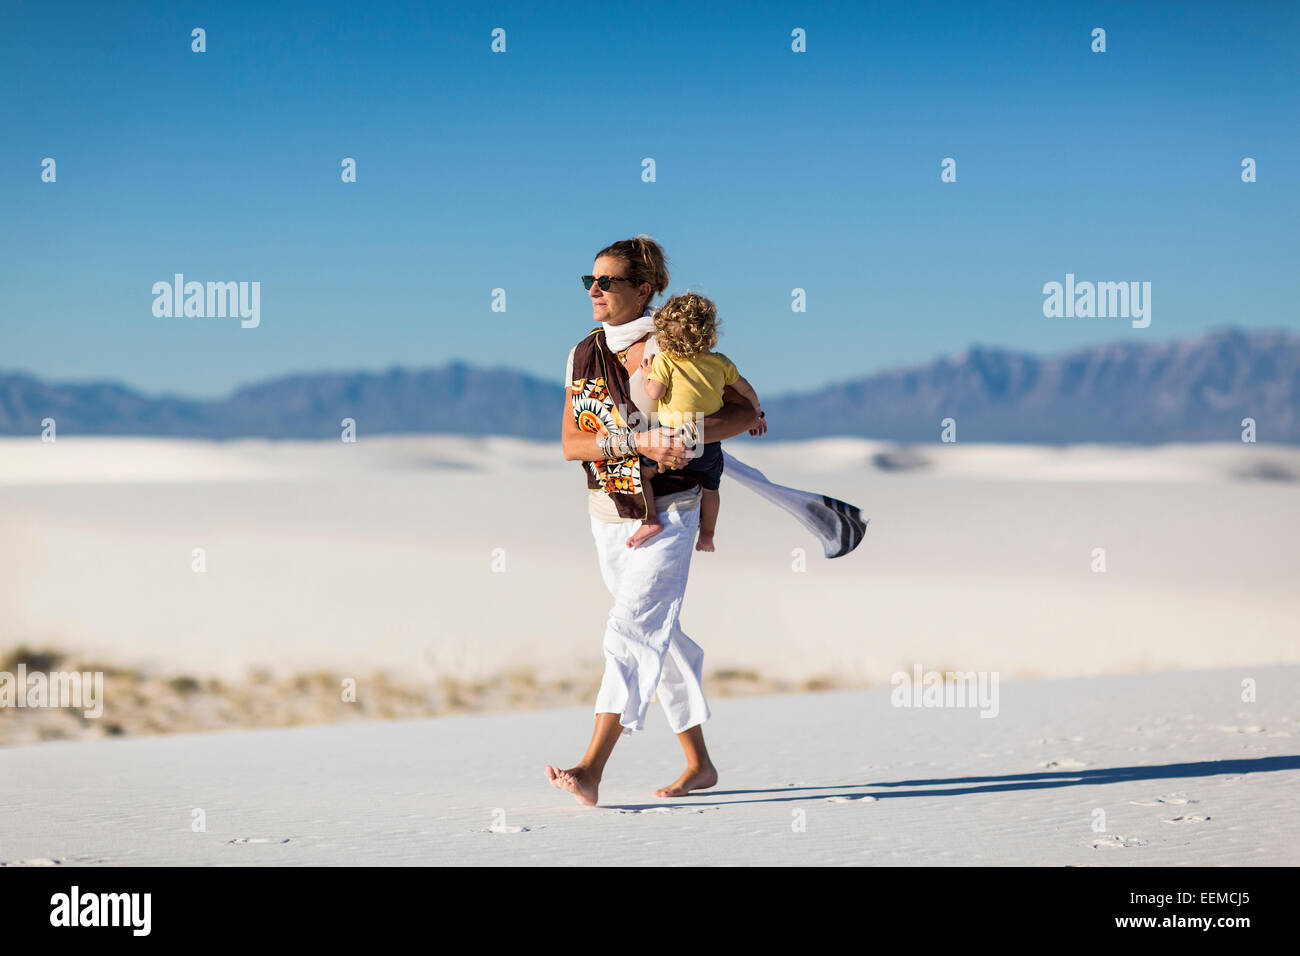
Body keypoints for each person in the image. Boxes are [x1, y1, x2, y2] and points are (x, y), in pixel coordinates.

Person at [544, 235, 761, 806]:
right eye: (589, 280)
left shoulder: (676, 342)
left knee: (631, 629)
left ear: (643, 290)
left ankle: (591, 768)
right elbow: (570, 443)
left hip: (672, 509)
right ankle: (700, 764)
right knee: (658, 636)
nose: (594, 290)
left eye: (607, 281)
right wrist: (638, 441)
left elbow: (746, 410)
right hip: (608, 510)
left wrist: (685, 435)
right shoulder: (582, 353)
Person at [629, 292, 765, 551]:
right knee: (711, 488)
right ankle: (708, 536)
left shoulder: (665, 361)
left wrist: (647, 374)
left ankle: (650, 521)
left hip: (670, 440)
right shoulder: (720, 363)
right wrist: (757, 414)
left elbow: (654, 393)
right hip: (708, 444)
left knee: (642, 473)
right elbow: (746, 389)